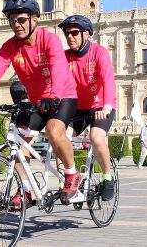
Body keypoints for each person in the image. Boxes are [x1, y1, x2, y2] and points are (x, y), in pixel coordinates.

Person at [0, 0, 81, 209]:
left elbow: (58, 69)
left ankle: (72, 173)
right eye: (12, 20)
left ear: (35, 18)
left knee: (54, 131)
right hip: (35, 101)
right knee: (16, 145)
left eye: (22, 19)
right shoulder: (10, 47)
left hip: (62, 95)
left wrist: (52, 95)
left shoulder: (49, 40)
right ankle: (26, 190)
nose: (16, 24)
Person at [57, 15, 117, 201]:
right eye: (67, 33)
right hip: (78, 108)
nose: (70, 37)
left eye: (74, 32)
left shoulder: (99, 52)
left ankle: (107, 178)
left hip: (100, 105)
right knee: (59, 138)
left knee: (96, 138)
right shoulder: (65, 57)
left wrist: (106, 107)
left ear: (87, 34)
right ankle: (68, 180)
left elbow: (108, 79)